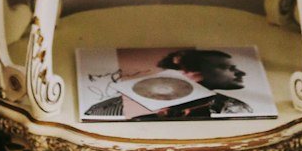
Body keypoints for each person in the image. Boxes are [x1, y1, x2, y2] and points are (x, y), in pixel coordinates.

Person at [82, 48, 254, 120]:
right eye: (225, 67)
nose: (241, 72)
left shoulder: (233, 108)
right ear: (191, 71)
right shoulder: (104, 110)